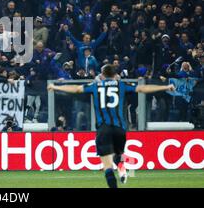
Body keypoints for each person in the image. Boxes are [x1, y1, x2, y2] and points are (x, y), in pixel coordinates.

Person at [47, 64, 175, 188]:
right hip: (120, 128)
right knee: (118, 154)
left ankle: (118, 174)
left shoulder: (95, 85)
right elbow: (142, 89)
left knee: (107, 166)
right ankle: (122, 168)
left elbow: (76, 89)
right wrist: (165, 87)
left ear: (102, 75)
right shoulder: (122, 85)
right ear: (115, 75)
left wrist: (56, 87)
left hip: (103, 128)